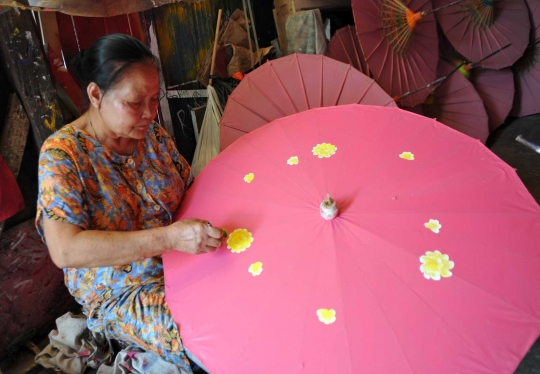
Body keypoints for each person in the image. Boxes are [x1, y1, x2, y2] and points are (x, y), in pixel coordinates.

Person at [36, 34, 224, 373]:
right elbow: (65, 250)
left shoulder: (151, 136)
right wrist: (169, 238)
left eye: (155, 99)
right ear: (96, 95)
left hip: (184, 259)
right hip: (123, 291)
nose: (150, 113)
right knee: (210, 333)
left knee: (256, 290)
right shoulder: (63, 155)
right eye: (135, 103)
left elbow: (190, 190)